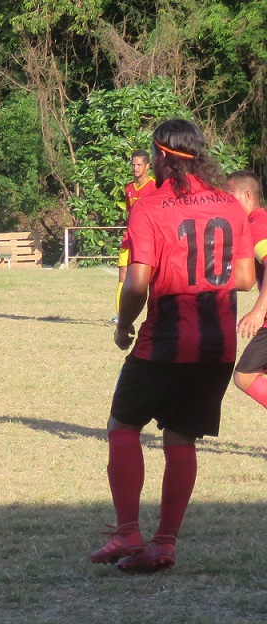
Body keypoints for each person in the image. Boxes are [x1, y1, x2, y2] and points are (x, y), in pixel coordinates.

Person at [92, 119, 255, 573]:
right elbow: (243, 277)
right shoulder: (229, 204)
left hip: (166, 338)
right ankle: (164, 543)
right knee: (181, 438)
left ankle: (128, 532)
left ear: (161, 157)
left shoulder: (150, 206)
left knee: (123, 424)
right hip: (217, 343)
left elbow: (138, 282)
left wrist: (124, 324)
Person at [226, 170, 267, 407]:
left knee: (245, 375)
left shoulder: (256, 225)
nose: (226, 200)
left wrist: (258, 311)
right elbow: (248, 279)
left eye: (230, 194)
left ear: (247, 195)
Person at [112, 150, 157, 322]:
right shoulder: (129, 188)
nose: (135, 168)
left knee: (149, 278)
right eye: (133, 164)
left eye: (139, 165)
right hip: (129, 238)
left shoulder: (155, 185)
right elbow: (130, 213)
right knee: (123, 274)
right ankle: (120, 314)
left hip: (148, 239)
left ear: (147, 166)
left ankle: (152, 314)